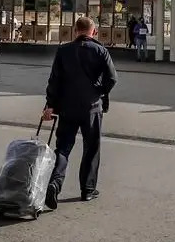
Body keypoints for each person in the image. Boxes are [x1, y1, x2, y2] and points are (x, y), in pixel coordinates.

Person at [42, 16, 118, 210]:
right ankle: (88, 190)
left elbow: (54, 80)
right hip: (92, 108)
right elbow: (112, 78)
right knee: (91, 148)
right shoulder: (101, 51)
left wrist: (50, 104)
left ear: (75, 31)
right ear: (94, 31)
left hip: (67, 107)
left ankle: (54, 184)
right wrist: (98, 91)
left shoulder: (63, 50)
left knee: (63, 148)